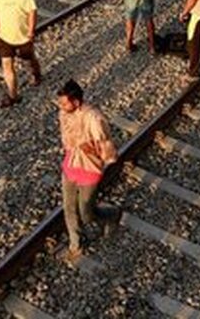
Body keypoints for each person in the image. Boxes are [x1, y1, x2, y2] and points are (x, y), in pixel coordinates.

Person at [57, 79, 120, 262]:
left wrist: (92, 150)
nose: (60, 106)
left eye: (64, 102)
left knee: (86, 212)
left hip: (89, 168)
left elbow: (108, 150)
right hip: (71, 165)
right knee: (69, 207)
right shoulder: (63, 113)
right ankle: (75, 245)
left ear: (76, 102)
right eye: (59, 102)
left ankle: (112, 215)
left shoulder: (94, 118)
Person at [0, 0, 42, 108]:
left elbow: (32, 13)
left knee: (29, 59)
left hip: (23, 37)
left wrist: (31, 31)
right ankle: (13, 95)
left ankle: (36, 73)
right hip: (3, 37)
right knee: (7, 65)